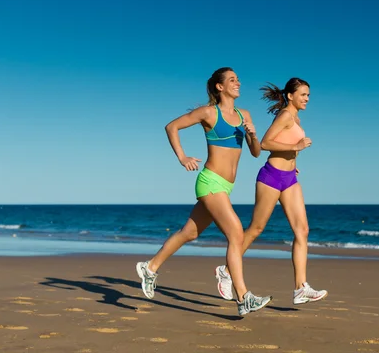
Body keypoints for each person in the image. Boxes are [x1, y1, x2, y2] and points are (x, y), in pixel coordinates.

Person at [135, 67, 272, 316]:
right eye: (232, 80)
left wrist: (252, 135)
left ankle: (150, 267)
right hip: (210, 182)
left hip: (226, 186)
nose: (238, 82)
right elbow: (171, 127)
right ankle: (244, 298)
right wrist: (182, 157)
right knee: (236, 234)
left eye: (238, 79)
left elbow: (255, 152)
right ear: (220, 87)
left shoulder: (245, 115)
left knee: (189, 232)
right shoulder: (210, 112)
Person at [214, 77, 328, 305]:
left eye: (308, 95)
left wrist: (293, 161)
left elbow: (283, 145)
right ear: (290, 96)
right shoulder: (285, 115)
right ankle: (226, 270)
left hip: (290, 178)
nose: (307, 99)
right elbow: (265, 143)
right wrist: (295, 147)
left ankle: (300, 288)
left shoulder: (295, 117)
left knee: (302, 230)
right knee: (256, 229)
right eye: (303, 94)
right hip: (271, 177)